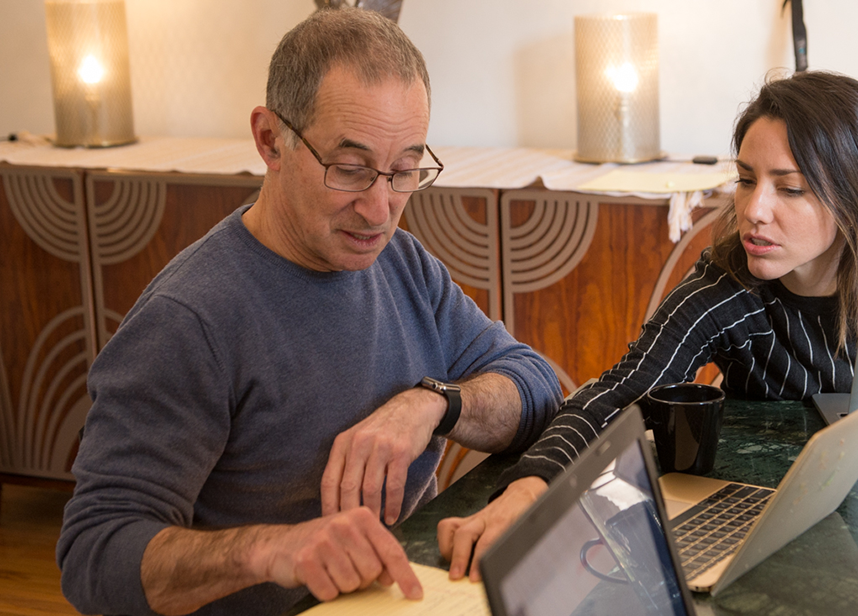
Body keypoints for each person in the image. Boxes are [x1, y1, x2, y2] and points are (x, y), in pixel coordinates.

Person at [56, 9, 562, 616]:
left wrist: (434, 403)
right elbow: (93, 556)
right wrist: (270, 550)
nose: (379, 210)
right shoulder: (190, 320)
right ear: (271, 139)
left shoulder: (401, 263)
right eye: (349, 169)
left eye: (404, 171)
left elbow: (536, 388)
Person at [437, 70, 858, 580]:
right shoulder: (729, 286)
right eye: (745, 180)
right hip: (761, 531)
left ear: (857, 196)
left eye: (788, 188)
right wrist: (529, 490)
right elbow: (616, 395)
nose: (754, 210)